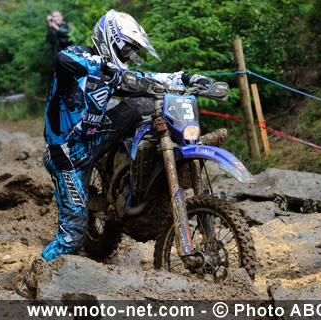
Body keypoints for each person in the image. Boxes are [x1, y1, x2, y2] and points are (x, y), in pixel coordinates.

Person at [16, 9, 214, 298]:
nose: (129, 53)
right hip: (67, 154)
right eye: (127, 47)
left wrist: (187, 78)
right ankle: (31, 280)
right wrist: (102, 67)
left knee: (144, 104)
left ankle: (134, 173)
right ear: (110, 39)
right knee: (73, 235)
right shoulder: (79, 58)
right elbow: (62, 60)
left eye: (132, 50)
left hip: (95, 138)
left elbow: (151, 77)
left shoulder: (117, 74)